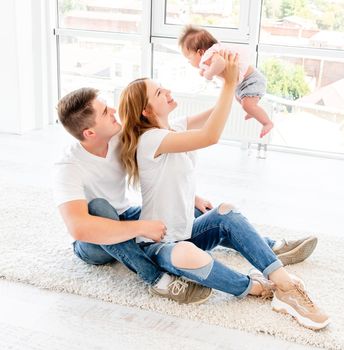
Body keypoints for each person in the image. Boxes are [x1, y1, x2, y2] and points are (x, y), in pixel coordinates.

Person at [119, 52, 329, 330]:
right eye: (159, 92)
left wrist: (233, 80)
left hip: (187, 232)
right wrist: (229, 82)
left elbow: (218, 111)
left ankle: (285, 286)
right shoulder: (150, 140)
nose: (167, 91)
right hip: (160, 246)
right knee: (187, 255)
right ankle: (256, 288)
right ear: (146, 111)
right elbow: (210, 136)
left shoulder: (174, 126)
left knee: (225, 212)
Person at [54, 87, 213, 305]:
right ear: (89, 133)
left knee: (189, 211)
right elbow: (79, 228)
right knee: (99, 207)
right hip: (92, 245)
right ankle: (158, 280)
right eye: (104, 112)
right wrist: (141, 228)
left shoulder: (119, 136)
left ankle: (145, 248)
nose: (112, 110)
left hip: (125, 215)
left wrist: (191, 197)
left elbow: (173, 135)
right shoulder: (68, 166)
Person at [178, 24, 273, 138]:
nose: (189, 62)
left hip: (251, 80)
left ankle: (267, 122)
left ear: (200, 52)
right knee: (240, 100)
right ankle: (253, 110)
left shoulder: (212, 54)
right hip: (242, 83)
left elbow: (220, 63)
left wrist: (209, 74)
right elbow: (211, 68)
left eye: (189, 58)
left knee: (246, 105)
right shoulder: (208, 58)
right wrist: (205, 71)